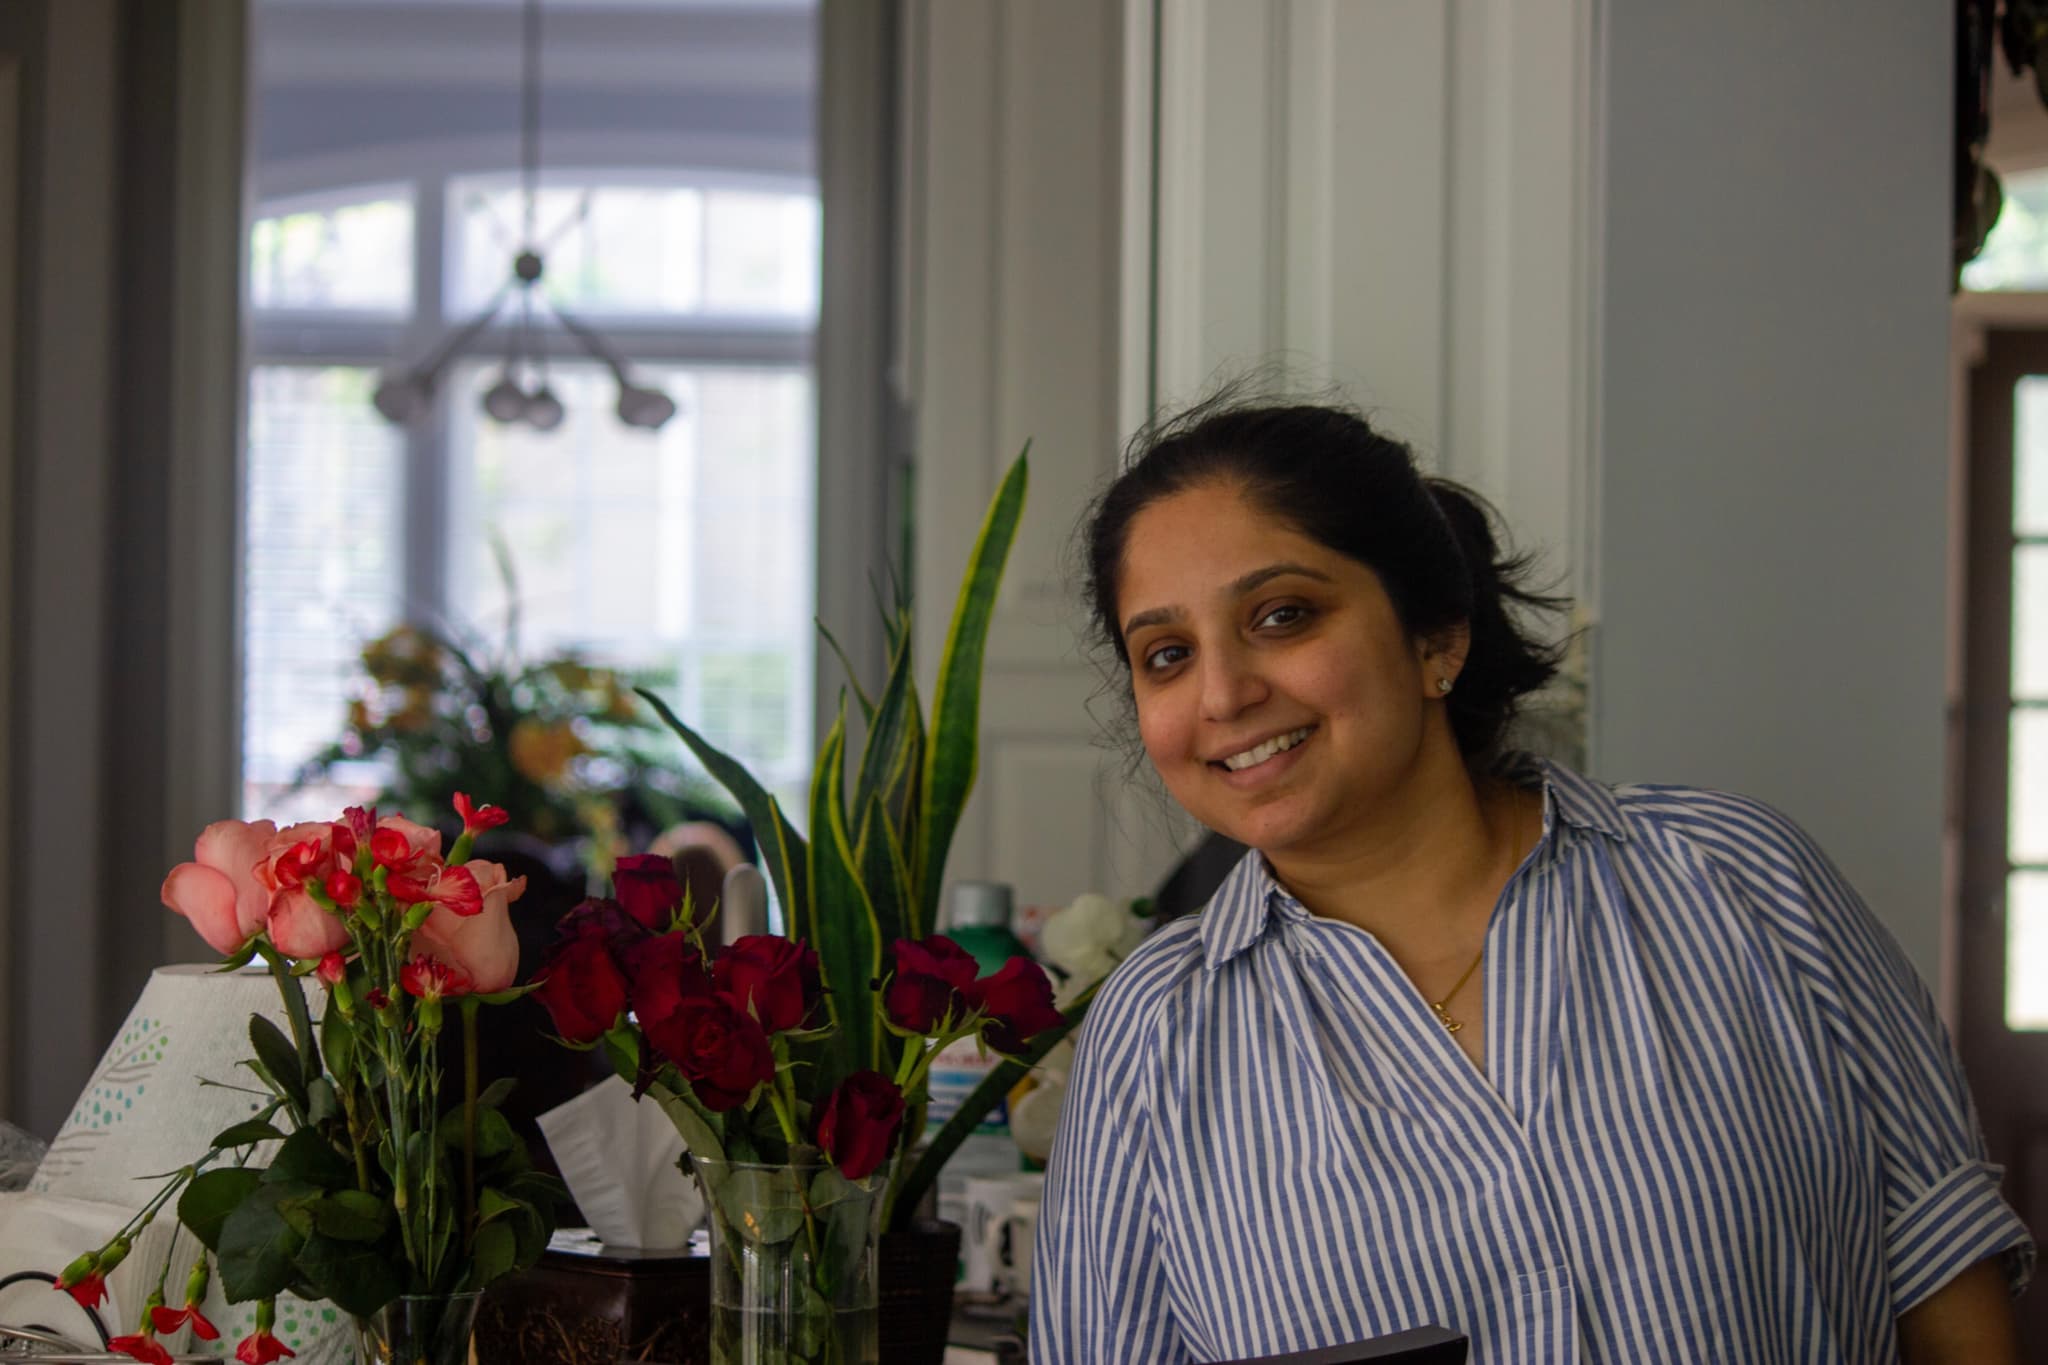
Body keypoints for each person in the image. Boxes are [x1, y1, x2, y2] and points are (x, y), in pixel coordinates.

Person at [1029, 398, 2034, 1364]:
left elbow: (1947, 1294)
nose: (1222, 693)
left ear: (1437, 637)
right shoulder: (1153, 1037)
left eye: (1282, 615)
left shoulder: (1738, 879)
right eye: (1166, 654)